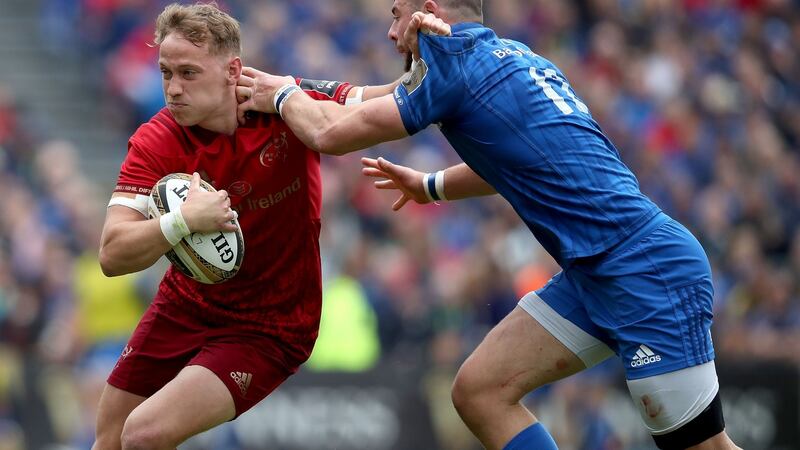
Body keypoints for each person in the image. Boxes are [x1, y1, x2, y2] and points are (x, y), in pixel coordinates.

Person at [234, 1, 743, 449]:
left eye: (395, 16)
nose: (390, 35)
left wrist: (280, 98)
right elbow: (387, 104)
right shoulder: (507, 55)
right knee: (480, 391)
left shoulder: (453, 66)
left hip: (643, 270)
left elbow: (330, 134)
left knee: (703, 448)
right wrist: (429, 185)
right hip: (593, 276)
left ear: (424, 12)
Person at [92, 3, 443, 449]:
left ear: (232, 69)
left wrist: (422, 53)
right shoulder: (156, 139)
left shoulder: (287, 100)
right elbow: (112, 253)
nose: (173, 89)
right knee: (109, 439)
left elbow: (393, 95)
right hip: (184, 306)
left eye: (188, 73)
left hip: (269, 327)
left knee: (142, 435)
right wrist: (181, 220)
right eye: (165, 73)